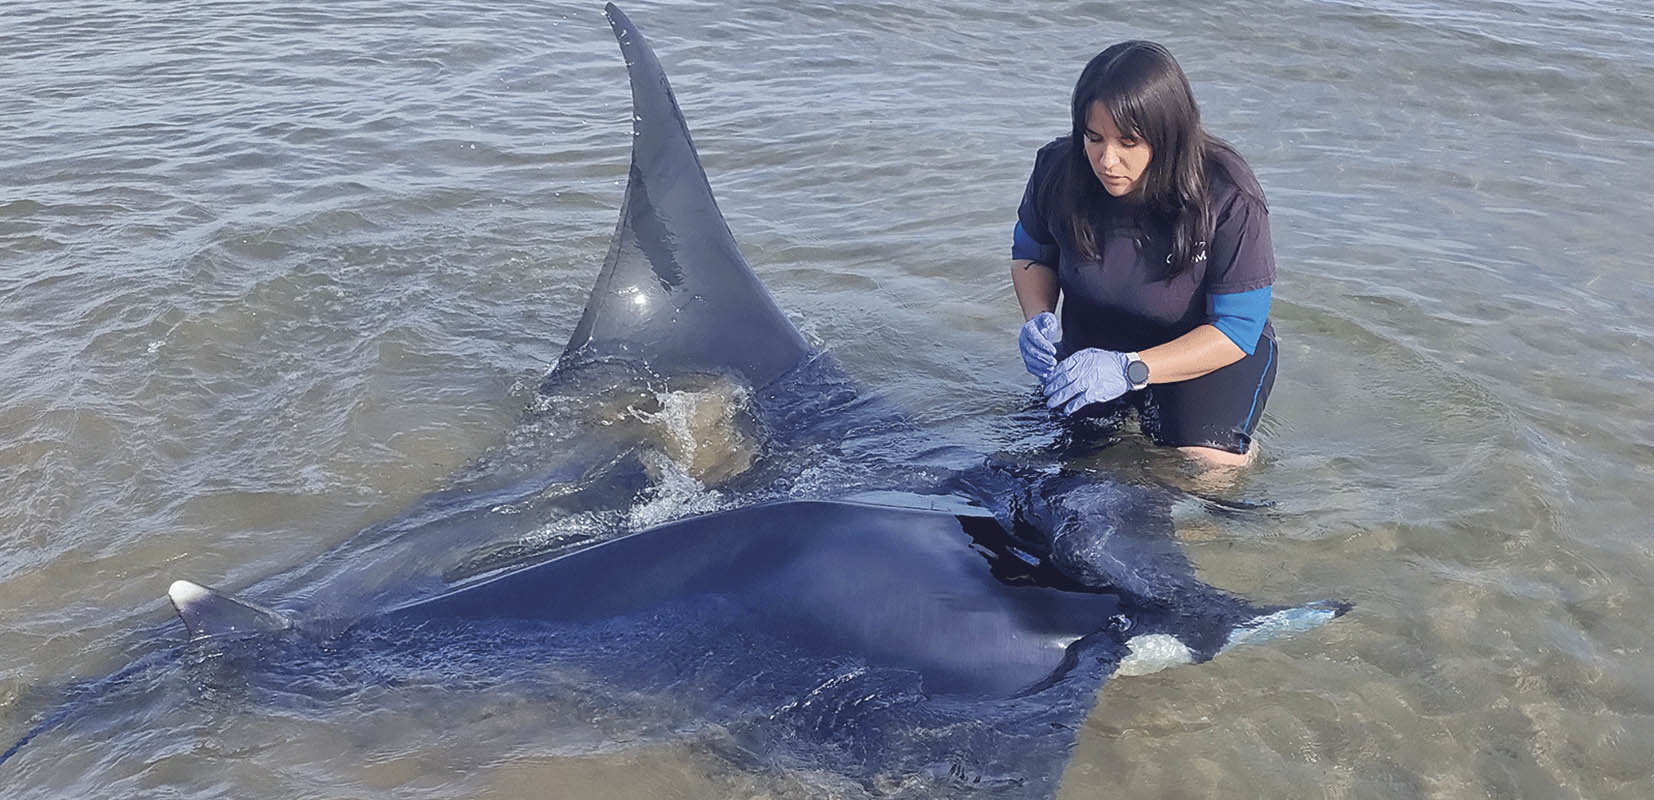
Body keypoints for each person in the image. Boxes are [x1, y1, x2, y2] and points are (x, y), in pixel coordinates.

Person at [1012, 40, 1277, 468]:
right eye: (1093, 138)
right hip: (1097, 340)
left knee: (1202, 470)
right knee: (1056, 459)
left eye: (1128, 142)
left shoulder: (1229, 194)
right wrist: (1037, 317)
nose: (1107, 160)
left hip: (1205, 350)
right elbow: (1031, 255)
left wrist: (1129, 370)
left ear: (1168, 137)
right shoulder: (1058, 169)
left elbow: (1238, 328)